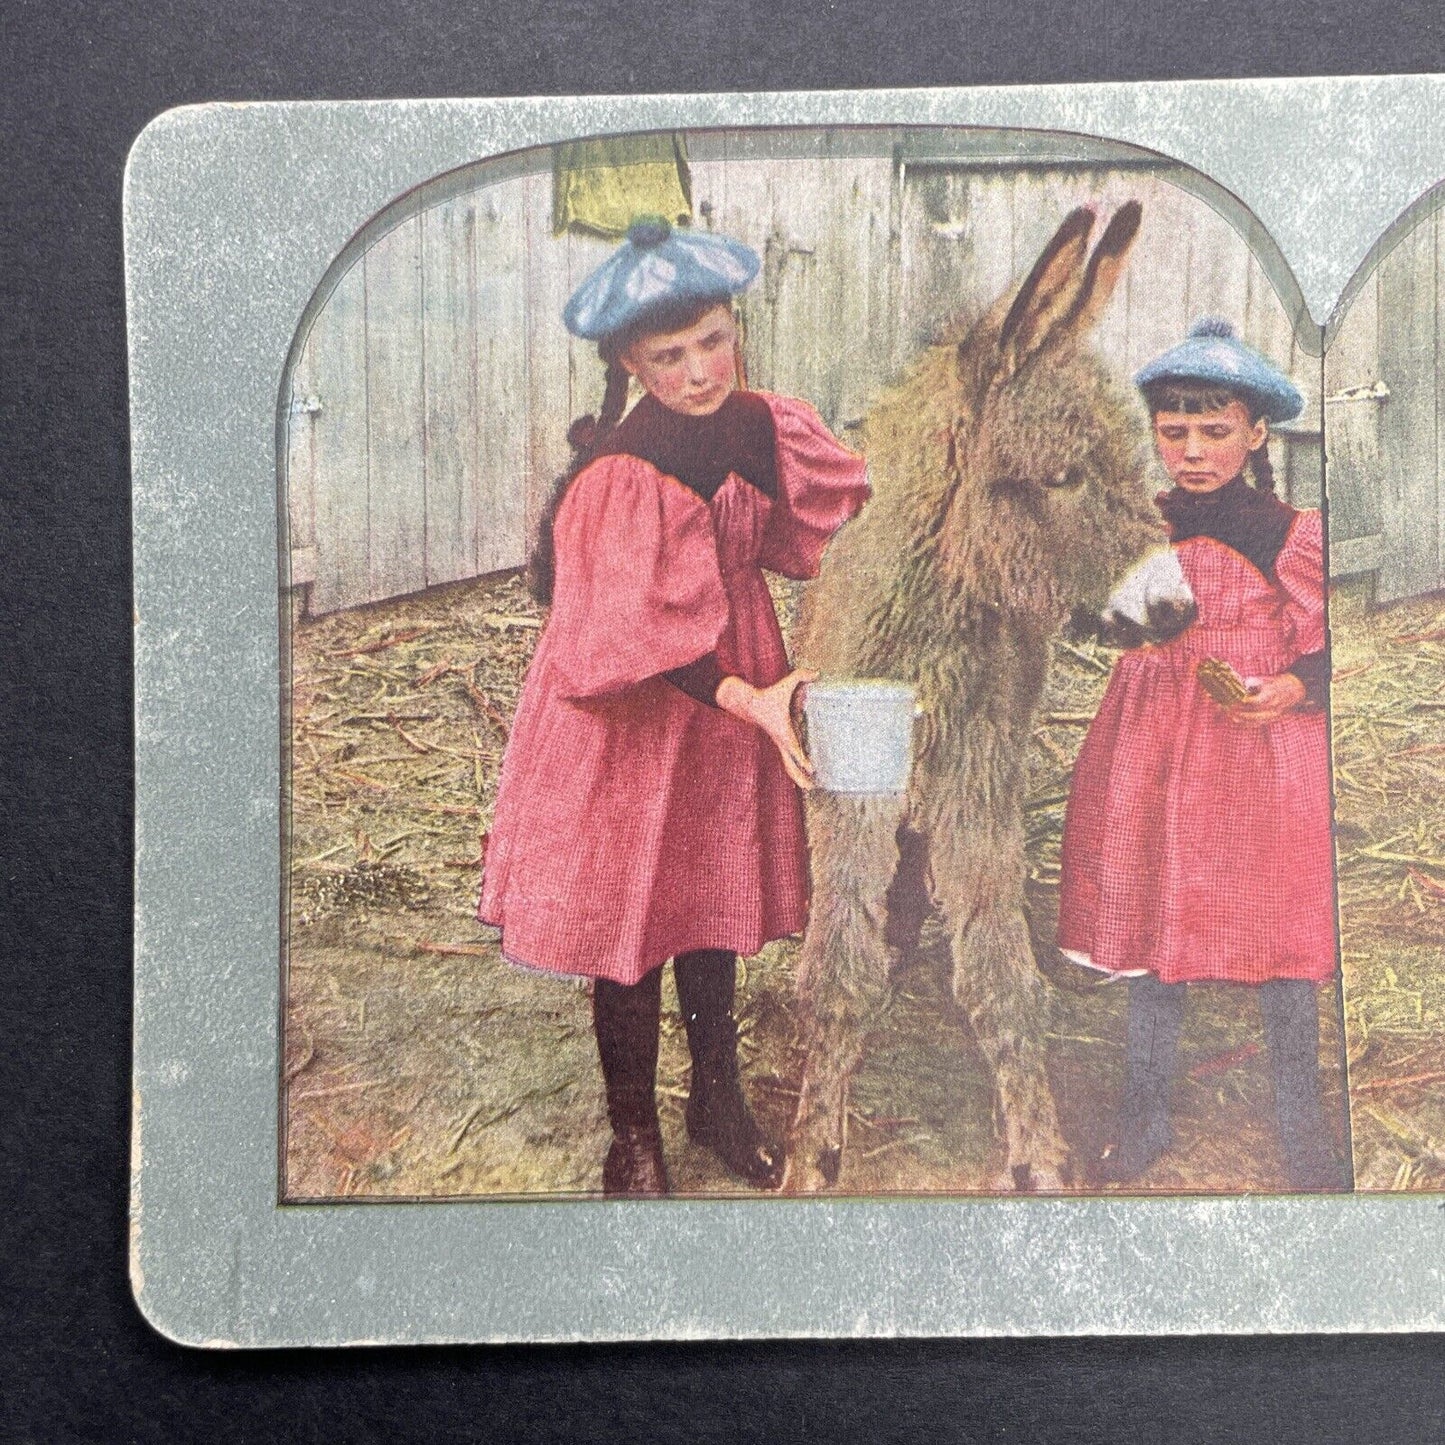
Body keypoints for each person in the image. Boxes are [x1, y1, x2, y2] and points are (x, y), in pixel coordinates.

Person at [478, 216, 870, 1197]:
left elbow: (842, 531)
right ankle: (634, 1133)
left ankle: (718, 1098)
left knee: (708, 899)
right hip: (628, 709)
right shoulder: (619, 475)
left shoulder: (766, 425)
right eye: (668, 356)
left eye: (712, 340)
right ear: (628, 362)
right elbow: (628, 639)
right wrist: (755, 699)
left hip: (736, 686)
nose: (699, 370)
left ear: (733, 323)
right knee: (634, 919)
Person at [1057, 316, 1348, 1192]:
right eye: (1172, 430)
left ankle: (1300, 1123)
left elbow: (1327, 648)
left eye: (1213, 431)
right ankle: (1141, 1117)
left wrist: (1291, 688)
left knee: (1279, 927)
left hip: (1258, 753)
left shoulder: (1286, 531)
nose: (1190, 450)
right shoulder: (1144, 525)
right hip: (1153, 745)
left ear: (1256, 432)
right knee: (1156, 914)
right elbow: (1117, 625)